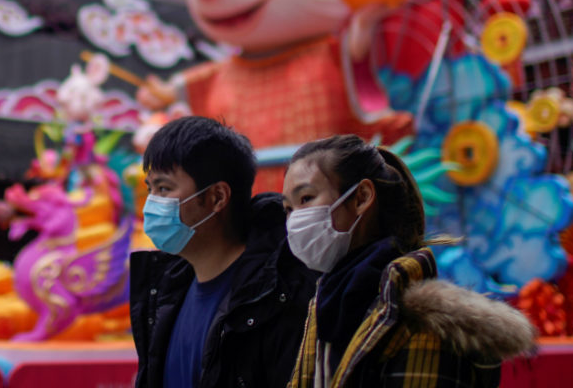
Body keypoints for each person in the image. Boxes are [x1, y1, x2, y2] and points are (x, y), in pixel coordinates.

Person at [282, 135, 536, 387]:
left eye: (305, 199)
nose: (294, 222)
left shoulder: (426, 325)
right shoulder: (326, 305)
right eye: (288, 209)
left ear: (361, 198)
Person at [129, 116, 317, 388]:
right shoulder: (164, 292)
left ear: (217, 197)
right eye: (150, 189)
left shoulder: (280, 298)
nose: (151, 204)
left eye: (164, 188)